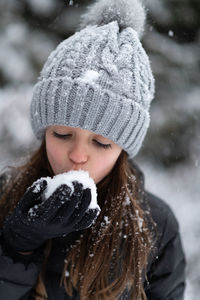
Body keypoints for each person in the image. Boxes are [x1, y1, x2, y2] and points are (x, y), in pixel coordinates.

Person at [0, 0, 186, 299]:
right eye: (62, 134)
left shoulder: (156, 226)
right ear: (43, 131)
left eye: (101, 143)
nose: (78, 155)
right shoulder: (7, 198)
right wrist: (17, 247)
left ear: (123, 149)